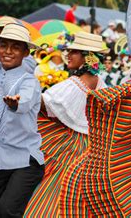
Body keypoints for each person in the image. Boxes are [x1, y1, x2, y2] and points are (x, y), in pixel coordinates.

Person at [24, 32, 108, 216]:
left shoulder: (74, 83)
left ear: (88, 58)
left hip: (68, 145)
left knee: (53, 188)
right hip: (93, 147)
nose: (68, 56)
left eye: (74, 52)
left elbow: (46, 102)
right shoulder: (100, 83)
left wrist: (22, 92)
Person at [0, 23, 44, 217]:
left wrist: (16, 103)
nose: (8, 51)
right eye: (4, 45)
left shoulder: (29, 81)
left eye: (15, 47)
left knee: (6, 211)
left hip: (25, 162)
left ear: (25, 52)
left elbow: (27, 99)